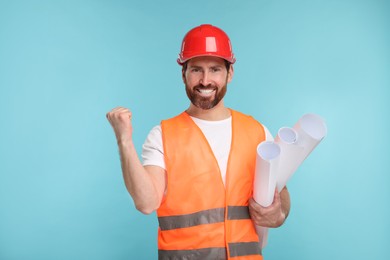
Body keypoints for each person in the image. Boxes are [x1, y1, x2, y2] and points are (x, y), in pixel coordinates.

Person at [106, 24, 291, 260]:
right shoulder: (163, 135)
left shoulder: (257, 132)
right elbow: (146, 202)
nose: (205, 80)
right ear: (183, 73)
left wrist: (279, 213)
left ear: (229, 73)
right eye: (196, 70)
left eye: (215, 69)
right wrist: (124, 140)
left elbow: (280, 191)